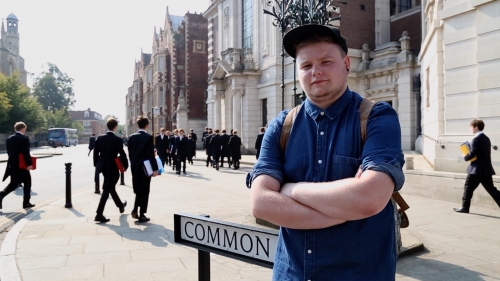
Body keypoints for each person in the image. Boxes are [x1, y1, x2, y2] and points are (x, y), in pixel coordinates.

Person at [248, 24, 405, 280]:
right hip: (292, 273)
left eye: (326, 61)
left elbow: (369, 199)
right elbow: (261, 204)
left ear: (346, 63)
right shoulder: (281, 126)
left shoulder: (377, 117)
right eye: (306, 65)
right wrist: (342, 210)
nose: (316, 72)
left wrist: (290, 190)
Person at [454, 119, 500, 213]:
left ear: (476, 127)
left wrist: (465, 156)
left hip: (476, 170)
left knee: (468, 188)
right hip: (486, 169)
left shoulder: (476, 139)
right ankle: (464, 207)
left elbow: (472, 154)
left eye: (472, 127)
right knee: (492, 189)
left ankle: (465, 208)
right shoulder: (486, 138)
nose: (471, 129)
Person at [94, 119, 128, 223]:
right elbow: (122, 153)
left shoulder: (100, 138)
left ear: (107, 126)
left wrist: (97, 165)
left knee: (110, 187)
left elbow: (96, 153)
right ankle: (99, 214)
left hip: (103, 165)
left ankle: (120, 205)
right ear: (115, 127)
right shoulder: (117, 140)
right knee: (107, 189)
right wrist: (125, 166)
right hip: (113, 165)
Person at [127, 116, 159, 222]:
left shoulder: (131, 137)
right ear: (146, 125)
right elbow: (151, 155)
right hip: (146, 167)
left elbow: (130, 154)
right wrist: (155, 169)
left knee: (138, 189)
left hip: (135, 166)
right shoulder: (148, 137)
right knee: (145, 190)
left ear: (137, 125)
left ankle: (135, 209)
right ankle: (141, 214)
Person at [0, 122, 35, 210]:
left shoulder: (9, 139)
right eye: (25, 129)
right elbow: (26, 152)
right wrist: (29, 164)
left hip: (12, 165)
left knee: (14, 184)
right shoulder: (24, 138)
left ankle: (1, 195)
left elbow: (9, 153)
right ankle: (26, 202)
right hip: (22, 165)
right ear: (22, 128)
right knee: (27, 182)